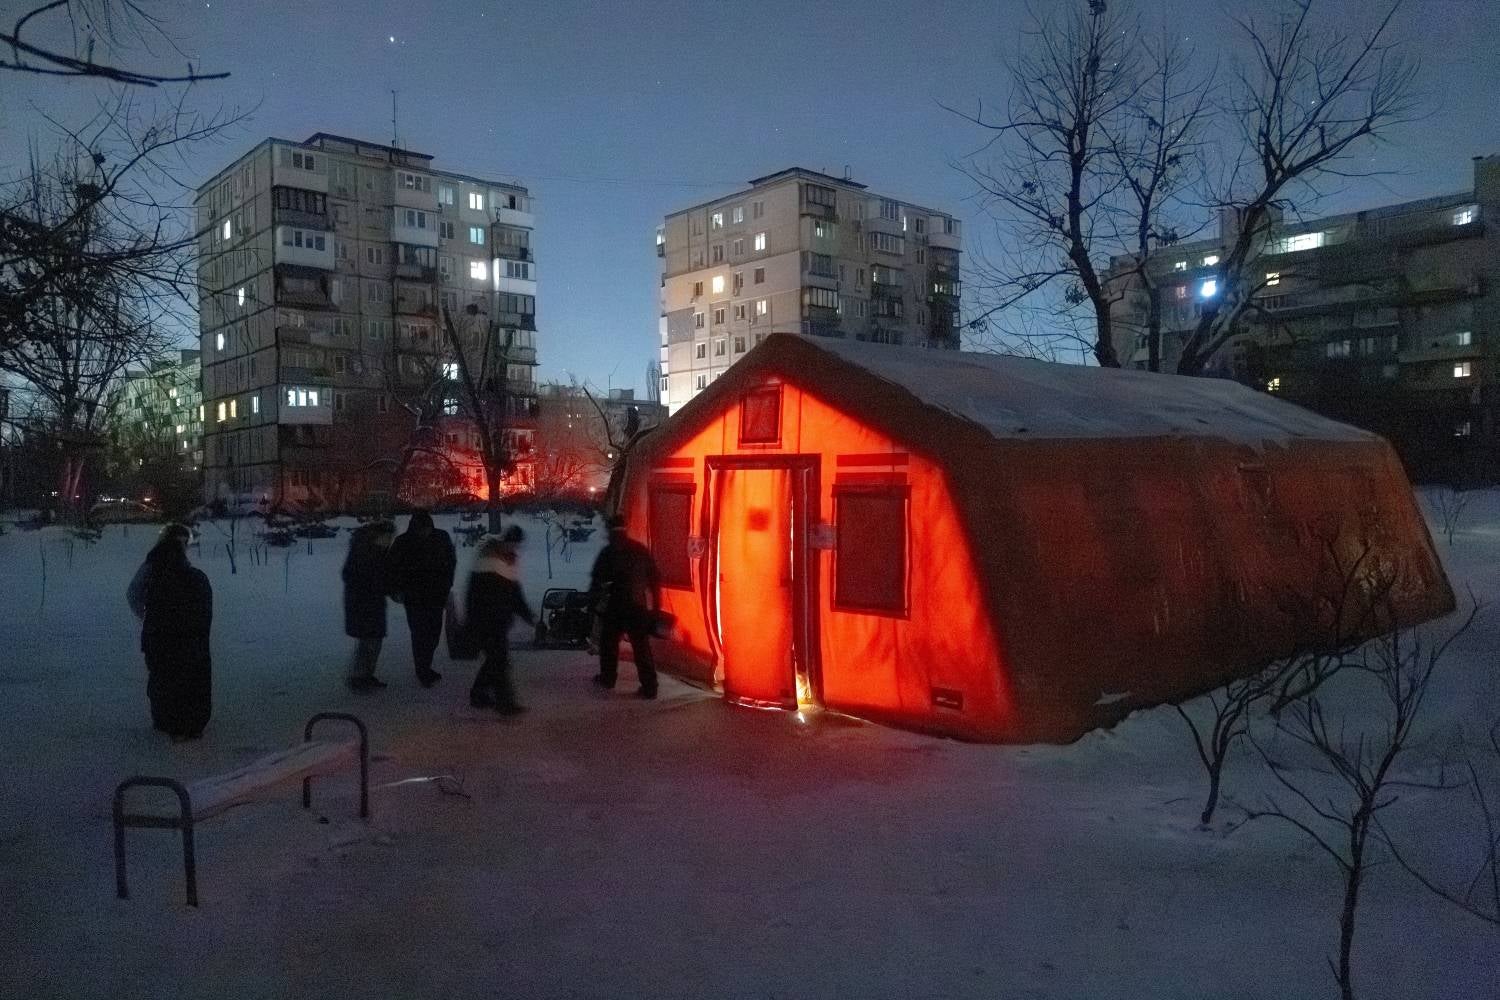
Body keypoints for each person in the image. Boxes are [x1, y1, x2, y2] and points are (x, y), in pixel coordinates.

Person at [126, 523, 213, 740]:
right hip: (188, 638)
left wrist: (148, 616)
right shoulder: (190, 573)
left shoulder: (153, 563)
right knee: (187, 678)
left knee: (161, 676)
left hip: (158, 636)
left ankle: (166, 720)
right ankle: (189, 721)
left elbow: (133, 592)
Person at [588, 514, 662, 699]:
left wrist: (593, 605)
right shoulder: (640, 550)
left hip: (616, 606)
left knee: (609, 643)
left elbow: (597, 582)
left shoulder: (608, 552)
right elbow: (654, 579)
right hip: (638, 606)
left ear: (609, 530)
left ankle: (608, 677)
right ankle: (650, 687)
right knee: (641, 647)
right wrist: (655, 608)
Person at [465, 527, 534, 714]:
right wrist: (472, 620)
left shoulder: (510, 561)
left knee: (495, 660)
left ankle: (478, 694)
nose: (514, 547)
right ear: (505, 540)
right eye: (512, 543)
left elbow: (514, 594)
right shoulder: (487, 559)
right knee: (499, 661)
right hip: (485, 621)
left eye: (516, 545)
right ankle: (505, 704)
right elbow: (473, 594)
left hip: (499, 621)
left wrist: (528, 615)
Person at [387, 509, 456, 688]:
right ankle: (422, 669)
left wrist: (447, 583)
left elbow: (450, 561)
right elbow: (391, 569)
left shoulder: (440, 538)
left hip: (436, 595)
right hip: (414, 598)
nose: (425, 533)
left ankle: (425, 665)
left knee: (433, 633)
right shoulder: (403, 543)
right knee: (419, 634)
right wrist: (395, 589)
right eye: (421, 529)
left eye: (427, 529)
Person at [342, 520, 396, 692]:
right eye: (388, 536)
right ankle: (358, 678)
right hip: (362, 603)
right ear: (379, 535)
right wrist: (372, 586)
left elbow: (383, 576)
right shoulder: (364, 550)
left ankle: (365, 676)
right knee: (368, 642)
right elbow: (351, 575)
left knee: (372, 641)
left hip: (373, 603)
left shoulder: (379, 550)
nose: (390, 540)